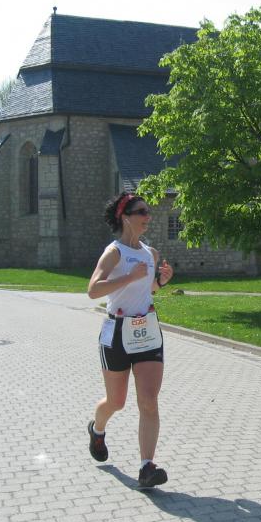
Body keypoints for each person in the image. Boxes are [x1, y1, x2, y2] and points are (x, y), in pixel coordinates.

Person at [86, 192, 174, 488]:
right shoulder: (115, 252)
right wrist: (129, 277)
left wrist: (160, 281)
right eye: (141, 212)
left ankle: (147, 467)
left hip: (147, 331)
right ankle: (97, 429)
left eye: (148, 211)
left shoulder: (150, 254)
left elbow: (147, 289)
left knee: (149, 401)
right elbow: (93, 290)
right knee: (117, 401)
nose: (148, 216)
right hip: (117, 333)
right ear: (126, 217)